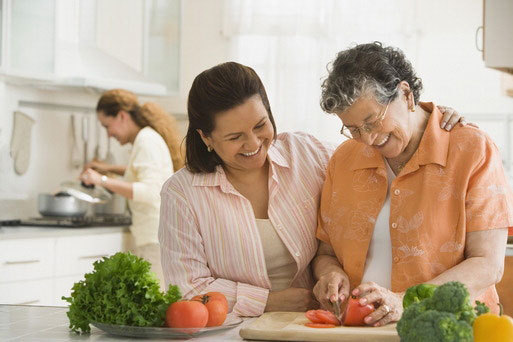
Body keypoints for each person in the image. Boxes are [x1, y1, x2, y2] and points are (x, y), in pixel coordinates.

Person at [158, 62, 466, 317]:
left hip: (312, 324)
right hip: (230, 331)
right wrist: (269, 301)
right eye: (235, 136)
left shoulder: (308, 153)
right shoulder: (182, 193)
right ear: (206, 137)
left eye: (260, 126)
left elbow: (377, 146)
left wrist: (426, 121)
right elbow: (189, 287)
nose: (253, 144)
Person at [313, 42, 513, 327]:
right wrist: (329, 274)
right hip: (359, 331)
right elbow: (326, 253)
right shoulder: (344, 159)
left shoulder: (471, 150)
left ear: (406, 95)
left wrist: (406, 300)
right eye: (353, 129)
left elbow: (487, 264)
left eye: (371, 121)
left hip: (446, 328)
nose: (367, 139)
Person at [80, 89, 184, 288]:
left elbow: (151, 190)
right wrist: (108, 168)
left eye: (107, 126)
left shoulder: (146, 141)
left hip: (154, 238)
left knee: (153, 306)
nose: (109, 134)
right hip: (154, 235)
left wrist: (100, 179)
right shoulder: (146, 138)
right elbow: (139, 172)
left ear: (121, 115)